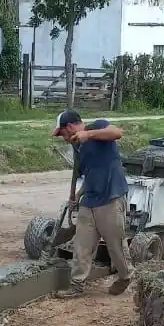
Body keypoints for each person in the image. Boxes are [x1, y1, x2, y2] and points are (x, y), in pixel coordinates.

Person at [51, 110, 134, 299]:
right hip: (90, 200)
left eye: (62, 133)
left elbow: (117, 133)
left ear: (70, 127)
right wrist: (78, 195)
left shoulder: (97, 127)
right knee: (81, 246)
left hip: (111, 198)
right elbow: (90, 174)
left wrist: (87, 135)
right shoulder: (77, 147)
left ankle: (125, 275)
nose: (62, 138)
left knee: (115, 246)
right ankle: (76, 285)